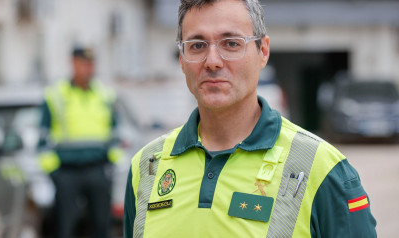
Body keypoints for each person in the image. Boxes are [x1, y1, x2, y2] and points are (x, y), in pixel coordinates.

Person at [124, 0, 377, 237]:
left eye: (231, 43)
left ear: (263, 51)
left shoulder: (321, 168)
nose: (212, 61)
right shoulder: (146, 166)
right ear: (181, 58)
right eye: (197, 45)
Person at [37, 47, 123, 238]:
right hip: (67, 173)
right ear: (73, 64)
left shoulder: (105, 94)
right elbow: (42, 139)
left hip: (98, 170)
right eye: (84, 64)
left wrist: (111, 167)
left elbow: (115, 135)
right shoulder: (56, 95)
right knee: (65, 226)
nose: (89, 69)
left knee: (101, 226)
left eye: (91, 64)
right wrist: (55, 173)